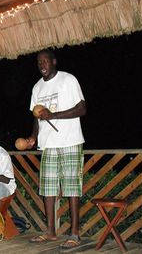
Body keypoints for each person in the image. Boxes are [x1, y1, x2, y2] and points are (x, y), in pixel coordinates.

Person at [27, 49, 86, 249]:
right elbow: (37, 117)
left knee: (71, 188)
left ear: (54, 61)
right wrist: (34, 137)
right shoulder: (36, 88)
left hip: (69, 141)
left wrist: (54, 115)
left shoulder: (68, 79)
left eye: (45, 61)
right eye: (39, 62)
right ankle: (51, 231)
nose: (42, 64)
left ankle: (75, 233)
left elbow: (82, 108)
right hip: (48, 143)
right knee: (48, 189)